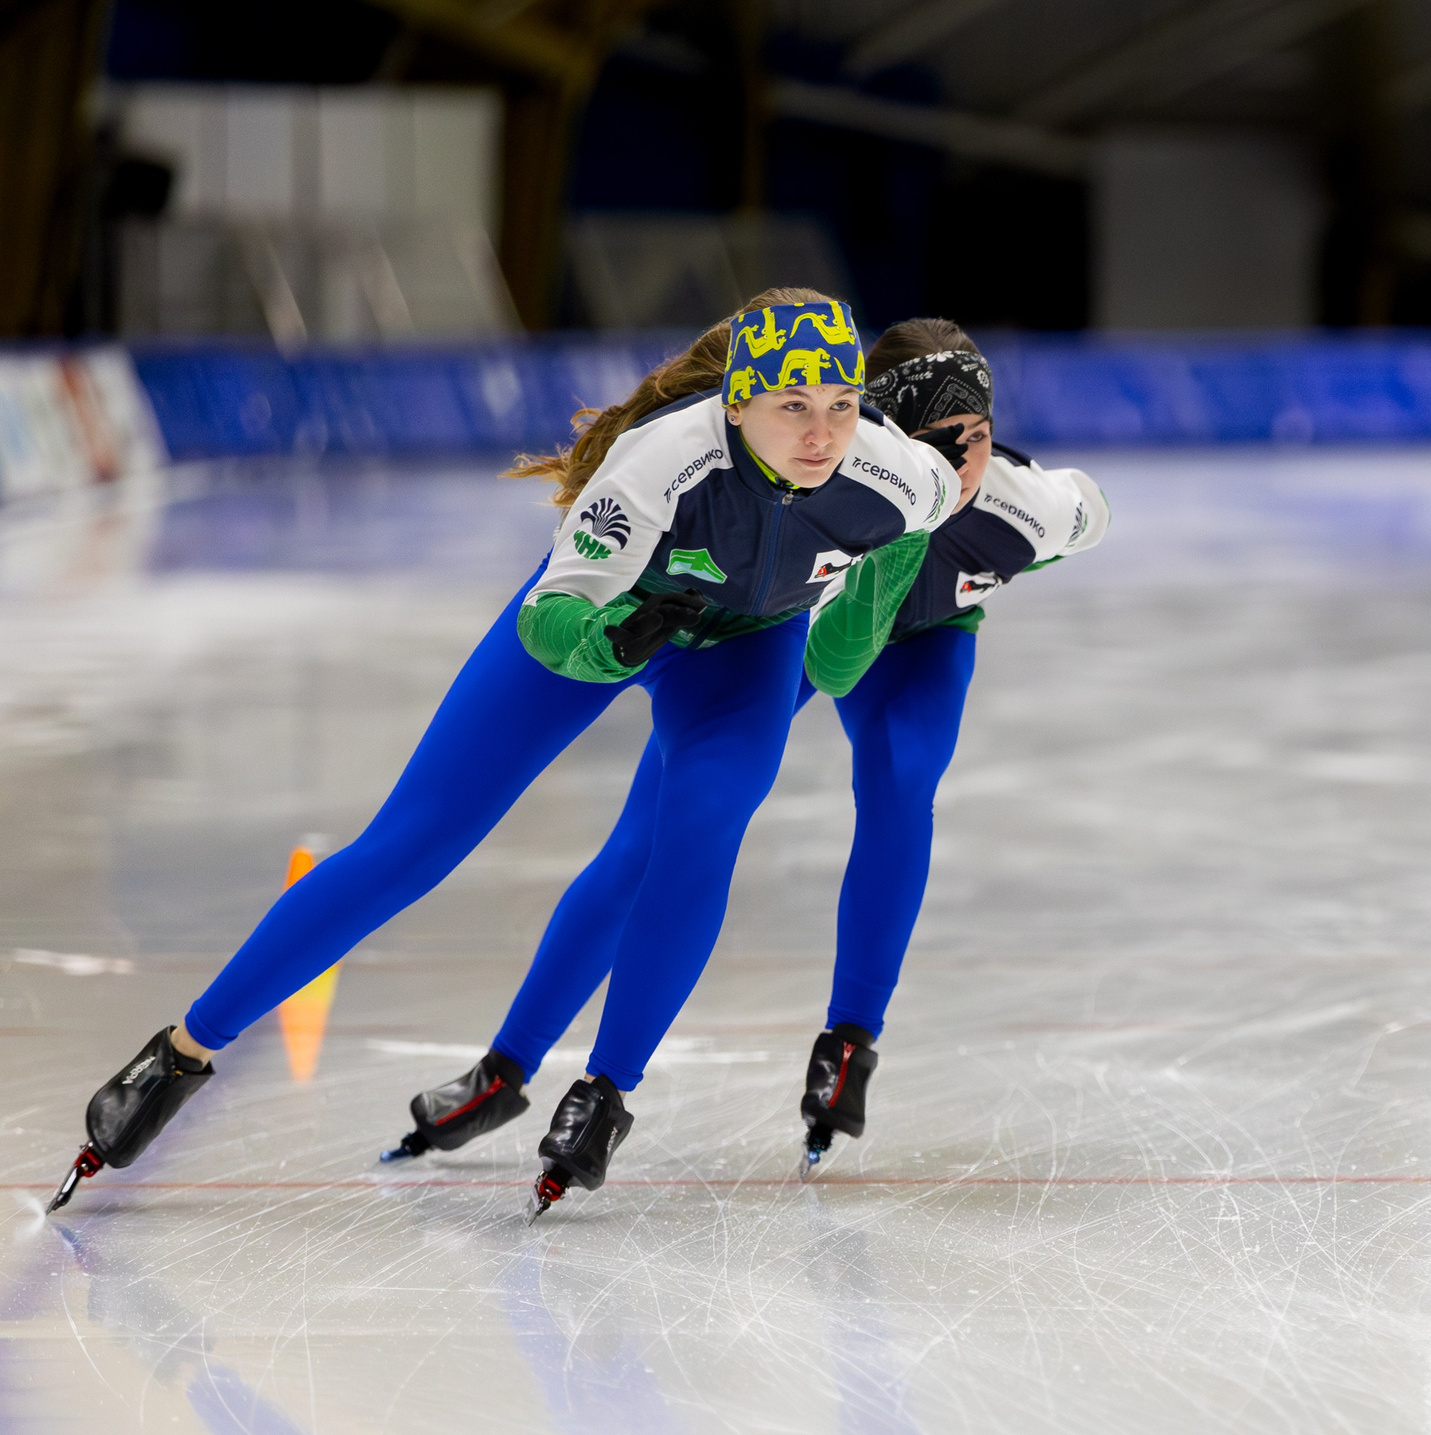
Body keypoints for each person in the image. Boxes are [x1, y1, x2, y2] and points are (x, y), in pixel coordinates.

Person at [50, 291, 964, 1216]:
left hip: (743, 652)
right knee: (413, 844)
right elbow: (549, 620)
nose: (822, 434)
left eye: (842, 404)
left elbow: (888, 577)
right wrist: (614, 639)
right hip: (606, 618)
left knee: (696, 838)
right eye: (792, 406)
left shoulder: (900, 476)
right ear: (735, 403)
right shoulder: (660, 461)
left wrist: (851, 629)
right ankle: (181, 1051)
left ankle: (604, 1093)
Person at [382, 318, 1110, 1188]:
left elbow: (1089, 508)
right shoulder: (840, 485)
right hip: (809, 632)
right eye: (936, 443)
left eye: (978, 439)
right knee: (648, 841)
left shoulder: (1026, 508)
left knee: (901, 782)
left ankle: (851, 1042)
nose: (961, 466)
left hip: (923, 642)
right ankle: (506, 1069)